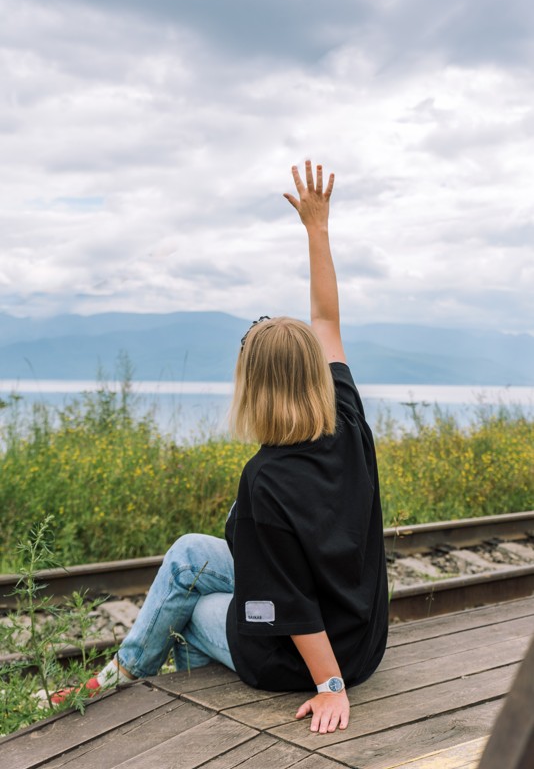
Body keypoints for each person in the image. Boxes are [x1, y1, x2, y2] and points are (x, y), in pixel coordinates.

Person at [46, 161, 389, 735]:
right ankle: (118, 676)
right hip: (363, 633)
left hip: (319, 658)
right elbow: (326, 317)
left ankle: (136, 691)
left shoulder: (266, 480)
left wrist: (331, 689)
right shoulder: (347, 416)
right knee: (187, 554)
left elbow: (290, 602)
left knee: (189, 612)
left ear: (252, 386)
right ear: (314, 374)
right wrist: (317, 229)